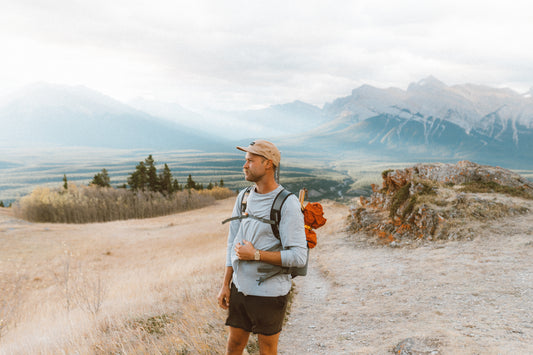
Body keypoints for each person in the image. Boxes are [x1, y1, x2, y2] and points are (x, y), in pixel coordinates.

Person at [217, 140, 307, 355]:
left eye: (250, 160)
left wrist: (256, 255)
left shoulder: (287, 203)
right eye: (245, 160)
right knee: (234, 344)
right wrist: (226, 284)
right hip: (240, 288)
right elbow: (232, 243)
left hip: (270, 292)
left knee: (266, 350)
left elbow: (299, 256)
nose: (244, 165)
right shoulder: (244, 197)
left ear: (268, 164)